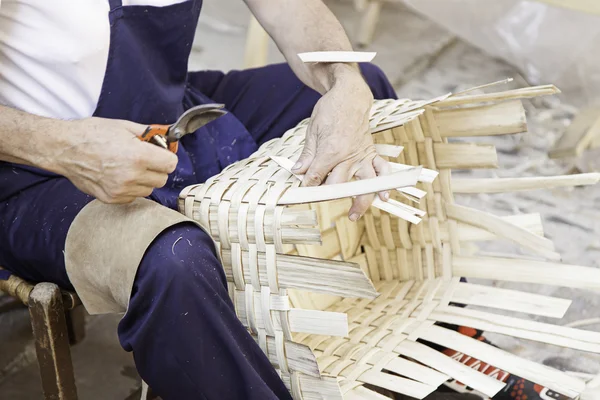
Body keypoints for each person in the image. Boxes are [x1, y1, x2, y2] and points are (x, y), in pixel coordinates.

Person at [0, 1, 568, 399]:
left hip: (165, 116)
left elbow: (293, 10)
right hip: (32, 174)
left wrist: (346, 85)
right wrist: (63, 144)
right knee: (173, 260)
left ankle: (445, 349)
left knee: (370, 96)